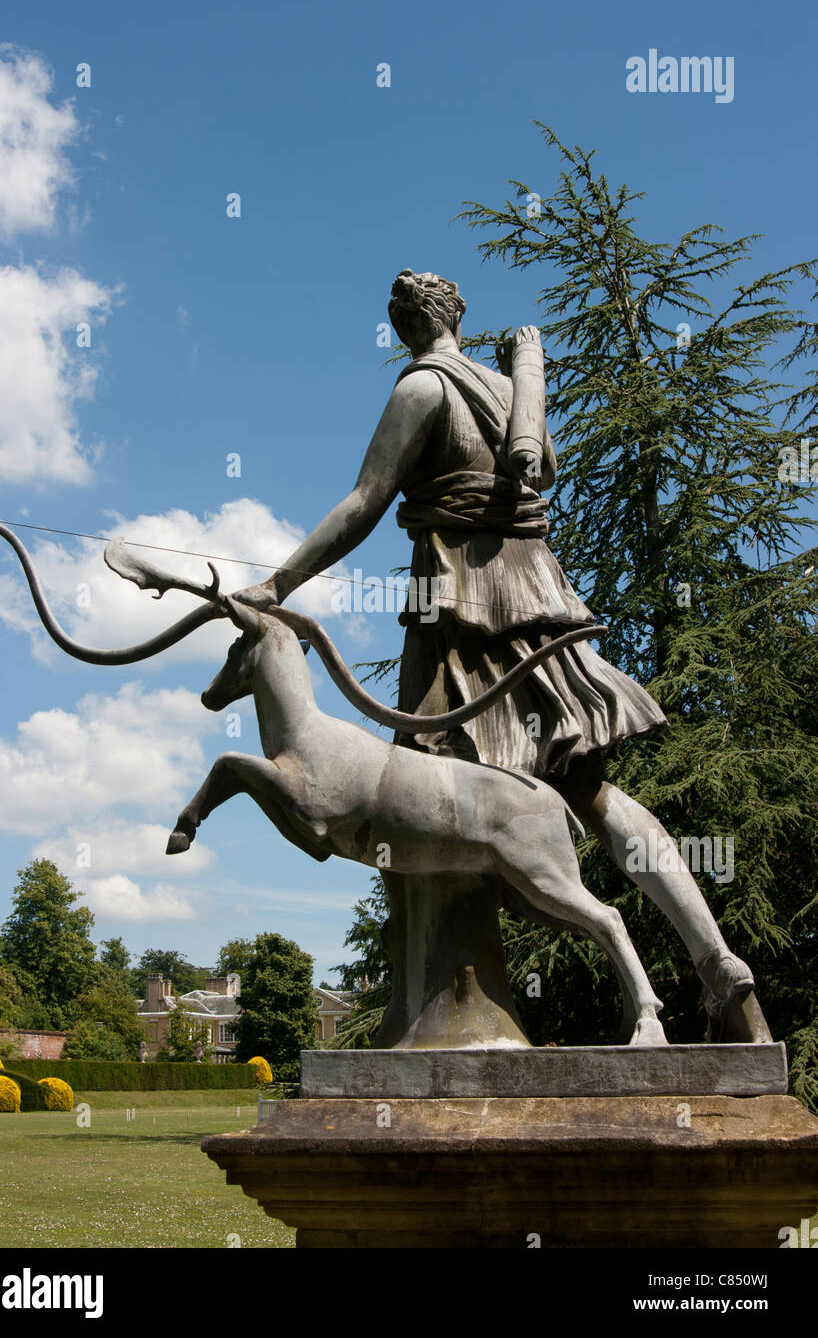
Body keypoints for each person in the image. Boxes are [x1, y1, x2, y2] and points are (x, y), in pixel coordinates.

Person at [233, 268, 768, 1043]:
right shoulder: (511, 387)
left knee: (419, 795)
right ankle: (719, 965)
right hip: (538, 595)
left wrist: (276, 583)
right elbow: (539, 469)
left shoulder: (421, 390)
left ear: (409, 325)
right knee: (590, 792)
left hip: (460, 605)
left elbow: (364, 501)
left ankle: (442, 1018)